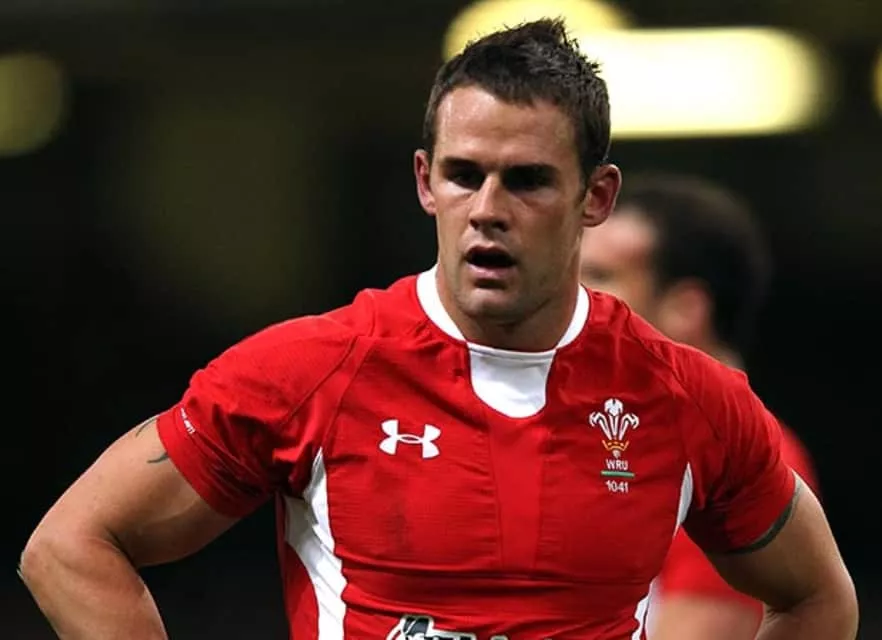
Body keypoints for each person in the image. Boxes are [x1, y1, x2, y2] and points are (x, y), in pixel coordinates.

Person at [20, 19, 857, 640]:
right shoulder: (310, 371)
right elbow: (69, 547)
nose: (487, 209)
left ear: (596, 197)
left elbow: (819, 599)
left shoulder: (690, 400)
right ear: (425, 182)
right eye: (464, 175)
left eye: (527, 180)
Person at [579, 173, 823, 639]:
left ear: (686, 308)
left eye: (599, 276)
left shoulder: (739, 459)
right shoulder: (621, 442)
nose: (573, 299)